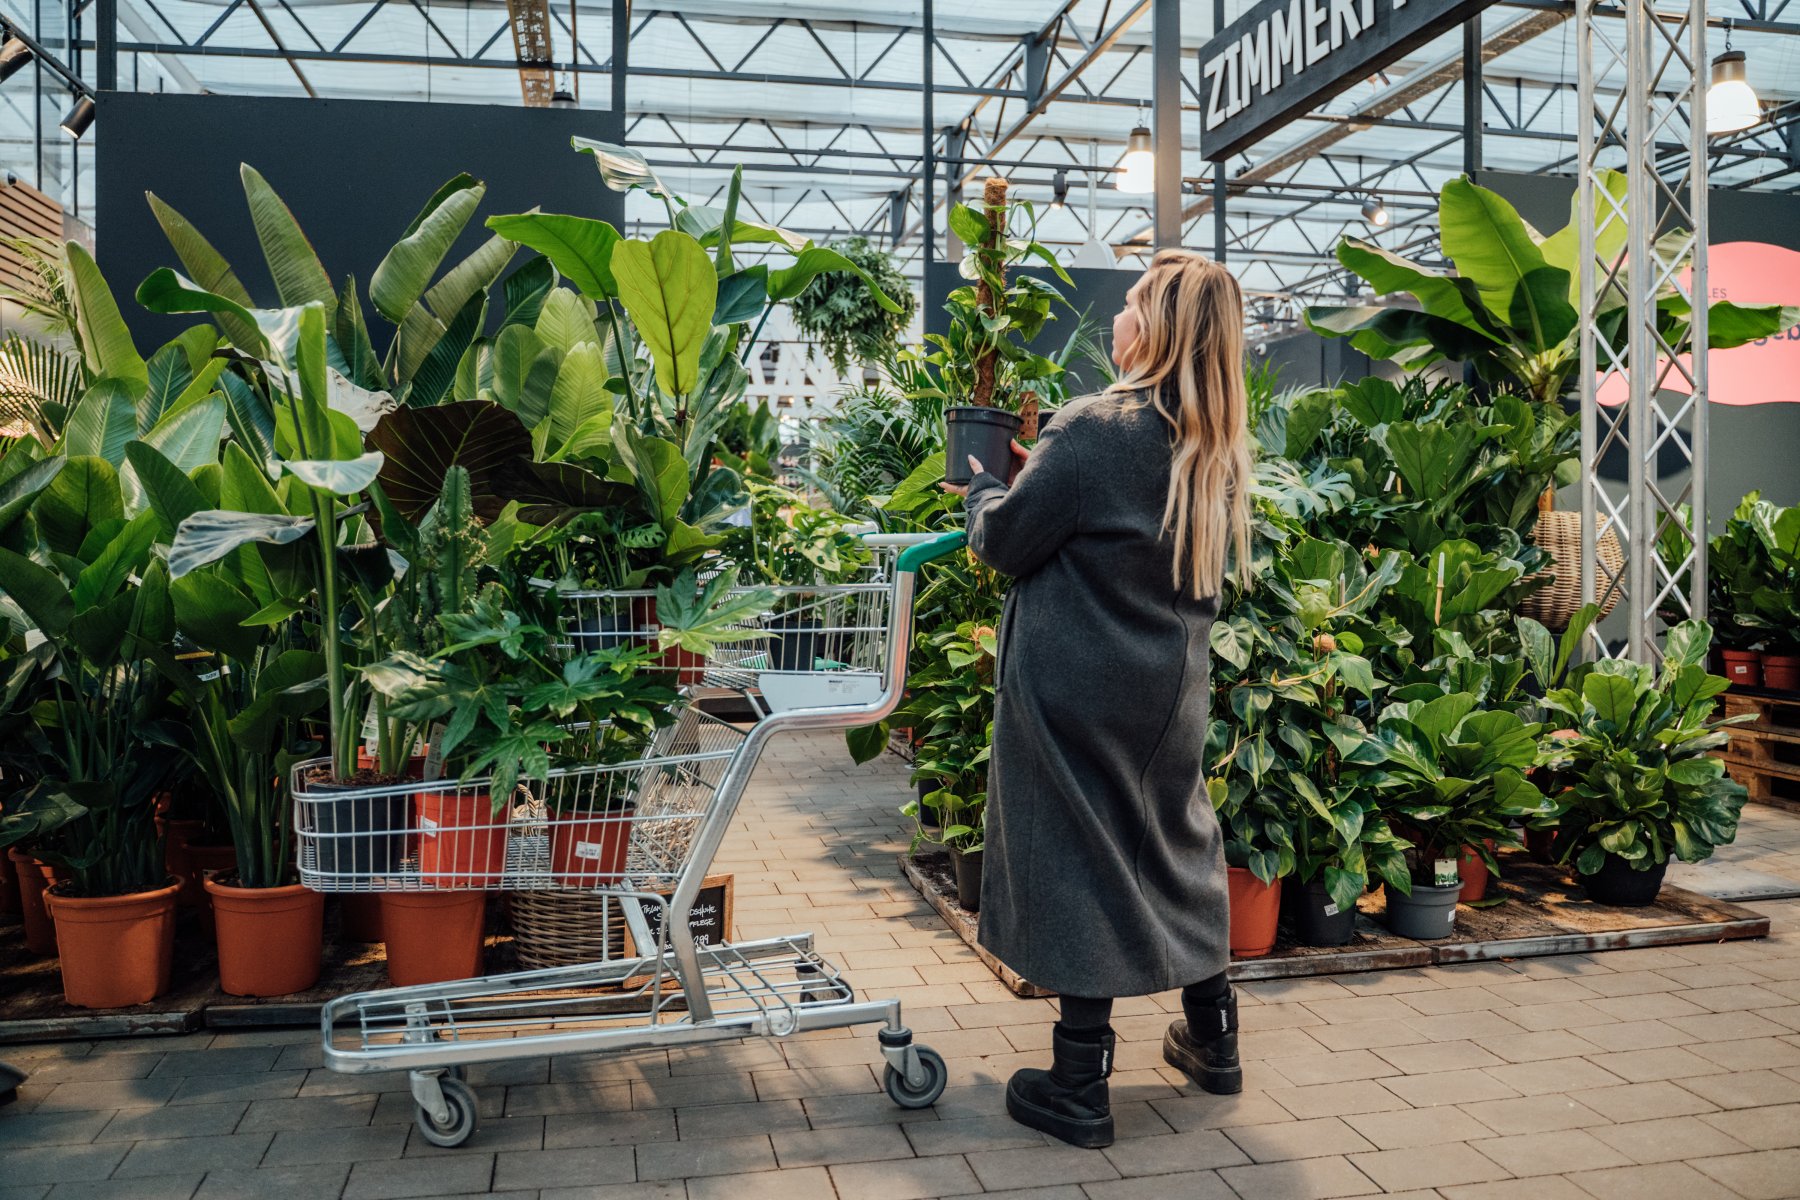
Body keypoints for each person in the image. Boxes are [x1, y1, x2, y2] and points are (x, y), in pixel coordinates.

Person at [941, 249, 1253, 1149]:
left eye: (1131, 301)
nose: (1117, 315)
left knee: (1080, 852)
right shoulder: (1213, 446)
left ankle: (1079, 1082)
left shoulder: (1089, 429)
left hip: (1075, 687)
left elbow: (1006, 542)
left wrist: (984, 486)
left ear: (1154, 329)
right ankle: (1214, 1038)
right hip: (1165, 693)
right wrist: (1040, 474)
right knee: (1178, 841)